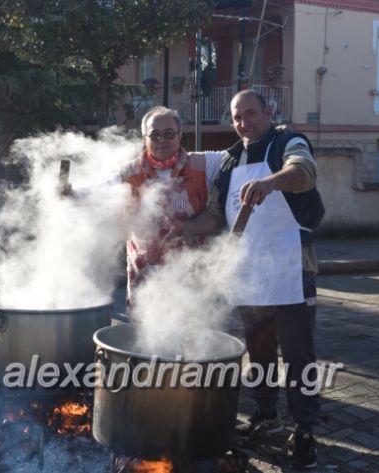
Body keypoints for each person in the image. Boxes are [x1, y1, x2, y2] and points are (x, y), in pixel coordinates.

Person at [186, 90, 323, 469]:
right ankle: (266, 415)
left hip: (291, 270)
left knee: (299, 357)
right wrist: (181, 229)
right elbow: (215, 214)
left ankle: (306, 430)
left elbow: (305, 173)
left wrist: (271, 183)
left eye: (251, 113)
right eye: (237, 117)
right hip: (249, 273)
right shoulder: (231, 161)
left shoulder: (287, 142)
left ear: (267, 111)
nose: (244, 122)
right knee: (259, 352)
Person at [114, 106, 223, 309]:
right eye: (154, 135)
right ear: (145, 138)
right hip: (143, 275)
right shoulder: (129, 171)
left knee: (191, 333)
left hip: (190, 274)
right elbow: (96, 190)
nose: (162, 140)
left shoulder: (204, 163)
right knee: (142, 336)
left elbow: (242, 153)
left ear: (180, 135)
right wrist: (69, 192)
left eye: (169, 134)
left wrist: (273, 135)